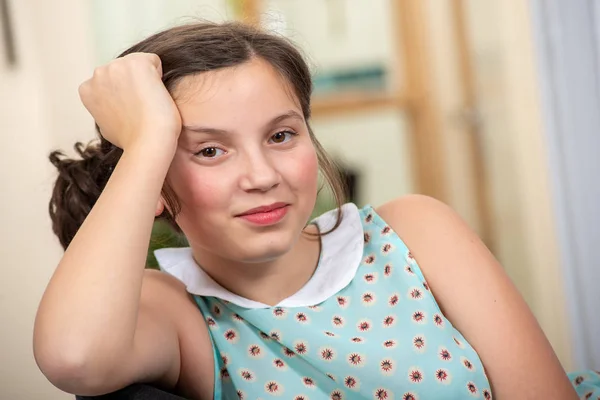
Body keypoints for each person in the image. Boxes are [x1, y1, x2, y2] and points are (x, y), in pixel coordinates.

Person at [33, 21, 598, 400]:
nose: (262, 176)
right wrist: (151, 137)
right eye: (209, 150)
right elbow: (73, 358)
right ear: (153, 177)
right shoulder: (175, 313)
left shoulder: (416, 231)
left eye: (281, 136)